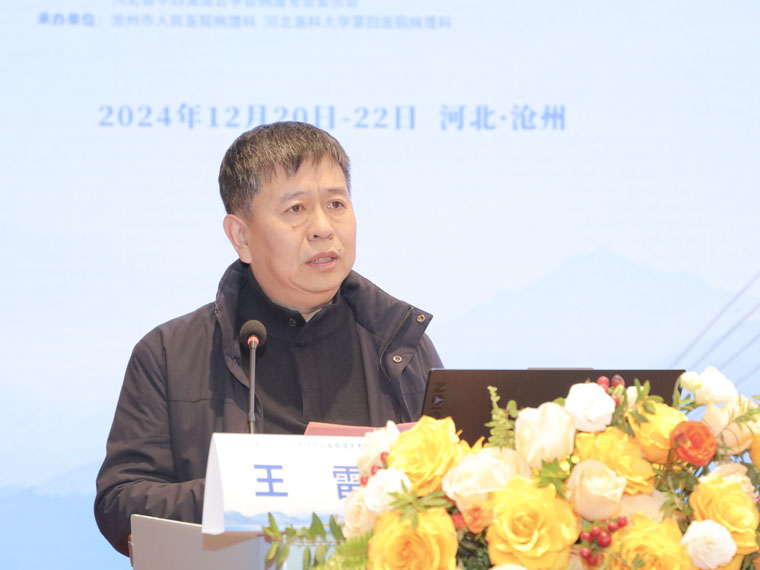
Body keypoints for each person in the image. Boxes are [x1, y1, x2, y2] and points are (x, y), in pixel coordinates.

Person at [94, 122, 442, 556]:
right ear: (241, 236)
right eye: (295, 209)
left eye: (336, 203)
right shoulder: (167, 355)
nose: (323, 228)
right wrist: (246, 492)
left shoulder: (401, 345)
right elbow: (119, 505)